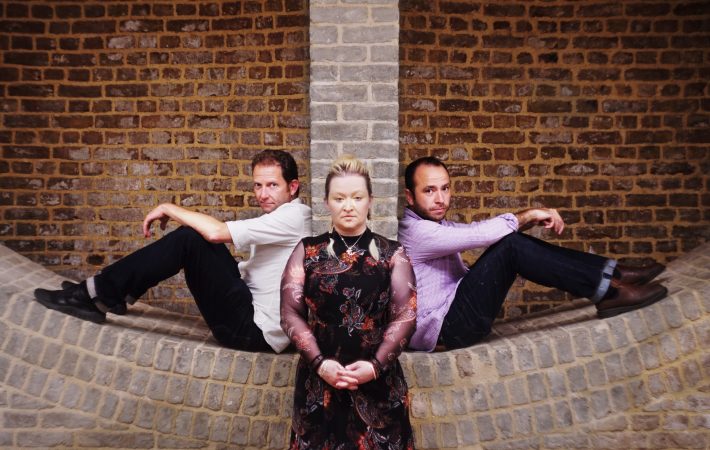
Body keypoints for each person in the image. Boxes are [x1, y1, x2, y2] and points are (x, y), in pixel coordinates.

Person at [34, 150, 311, 353]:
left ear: (293, 187)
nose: (262, 194)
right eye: (258, 185)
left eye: (272, 185)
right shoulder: (285, 215)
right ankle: (115, 294)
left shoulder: (294, 217)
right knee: (195, 237)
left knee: (191, 239)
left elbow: (216, 232)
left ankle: (94, 295)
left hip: (253, 331)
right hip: (250, 309)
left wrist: (168, 208)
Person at [398, 156, 668, 352]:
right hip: (448, 329)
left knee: (510, 242)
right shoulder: (415, 232)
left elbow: (479, 230)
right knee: (511, 247)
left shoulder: (436, 225)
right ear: (410, 197)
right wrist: (529, 214)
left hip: (455, 317)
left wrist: (525, 221)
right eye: (429, 190)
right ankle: (609, 290)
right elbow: (478, 236)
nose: (440, 199)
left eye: (445, 188)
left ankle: (613, 275)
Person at [280, 155, 417, 449]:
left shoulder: (392, 253)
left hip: (379, 382)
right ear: (327, 202)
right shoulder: (307, 251)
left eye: (357, 197)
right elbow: (290, 312)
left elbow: (406, 316)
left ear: (370, 201)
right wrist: (319, 363)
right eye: (339, 198)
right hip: (319, 384)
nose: (348, 205)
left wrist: (376, 366)